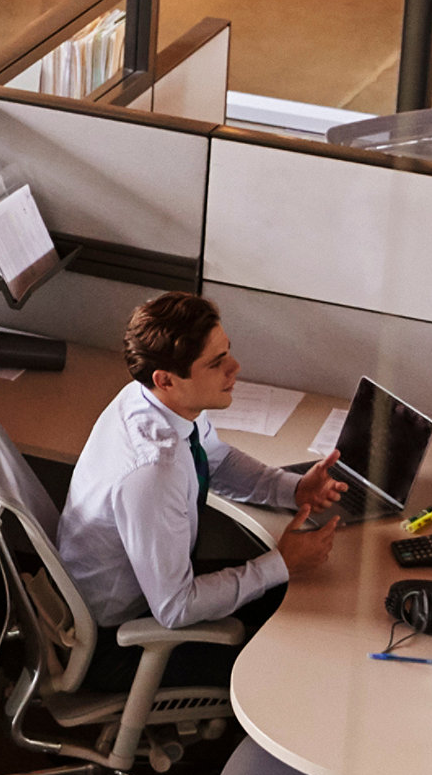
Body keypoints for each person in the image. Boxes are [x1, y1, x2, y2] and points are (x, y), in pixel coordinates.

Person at [56, 292, 343, 690]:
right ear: (166, 379)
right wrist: (281, 563)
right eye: (216, 363)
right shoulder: (151, 471)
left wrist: (293, 489)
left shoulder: (153, 401)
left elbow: (215, 459)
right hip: (124, 644)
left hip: (152, 596)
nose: (235, 368)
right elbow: (176, 607)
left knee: (296, 605)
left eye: (227, 352)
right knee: (297, 660)